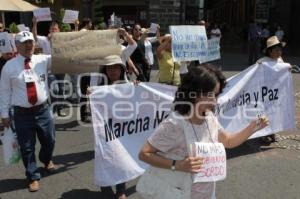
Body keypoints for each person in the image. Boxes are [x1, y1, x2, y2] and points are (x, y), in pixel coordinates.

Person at [139, 66, 269, 199]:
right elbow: (144, 153)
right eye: (210, 95)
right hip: (178, 193)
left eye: (217, 94)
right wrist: (177, 165)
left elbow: (228, 141)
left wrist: (252, 128)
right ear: (193, 93)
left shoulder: (209, 117)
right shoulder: (175, 124)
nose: (214, 101)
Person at [0, 31, 56, 192]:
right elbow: (4, 92)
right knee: (27, 147)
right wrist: (4, 115)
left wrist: (56, 42)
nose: (29, 45)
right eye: (24, 42)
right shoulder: (9, 67)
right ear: (17, 45)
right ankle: (32, 176)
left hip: (43, 110)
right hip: (22, 113)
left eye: (30, 42)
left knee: (49, 140)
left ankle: (46, 159)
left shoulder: (43, 60)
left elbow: (63, 58)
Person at [32, 17, 67, 117]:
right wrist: (35, 24)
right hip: (50, 69)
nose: (54, 31)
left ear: (59, 30)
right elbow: (34, 37)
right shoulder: (44, 40)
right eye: (52, 29)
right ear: (49, 31)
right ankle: (54, 107)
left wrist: (76, 25)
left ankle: (60, 108)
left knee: (61, 89)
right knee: (54, 89)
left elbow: (75, 38)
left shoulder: (63, 40)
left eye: (55, 29)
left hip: (61, 67)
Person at [256, 35, 286, 143]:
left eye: (280, 50)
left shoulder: (280, 60)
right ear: (269, 51)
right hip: (264, 93)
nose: (279, 53)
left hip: (276, 92)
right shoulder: (262, 61)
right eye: (276, 50)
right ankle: (262, 135)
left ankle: (272, 132)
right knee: (264, 114)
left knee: (275, 113)